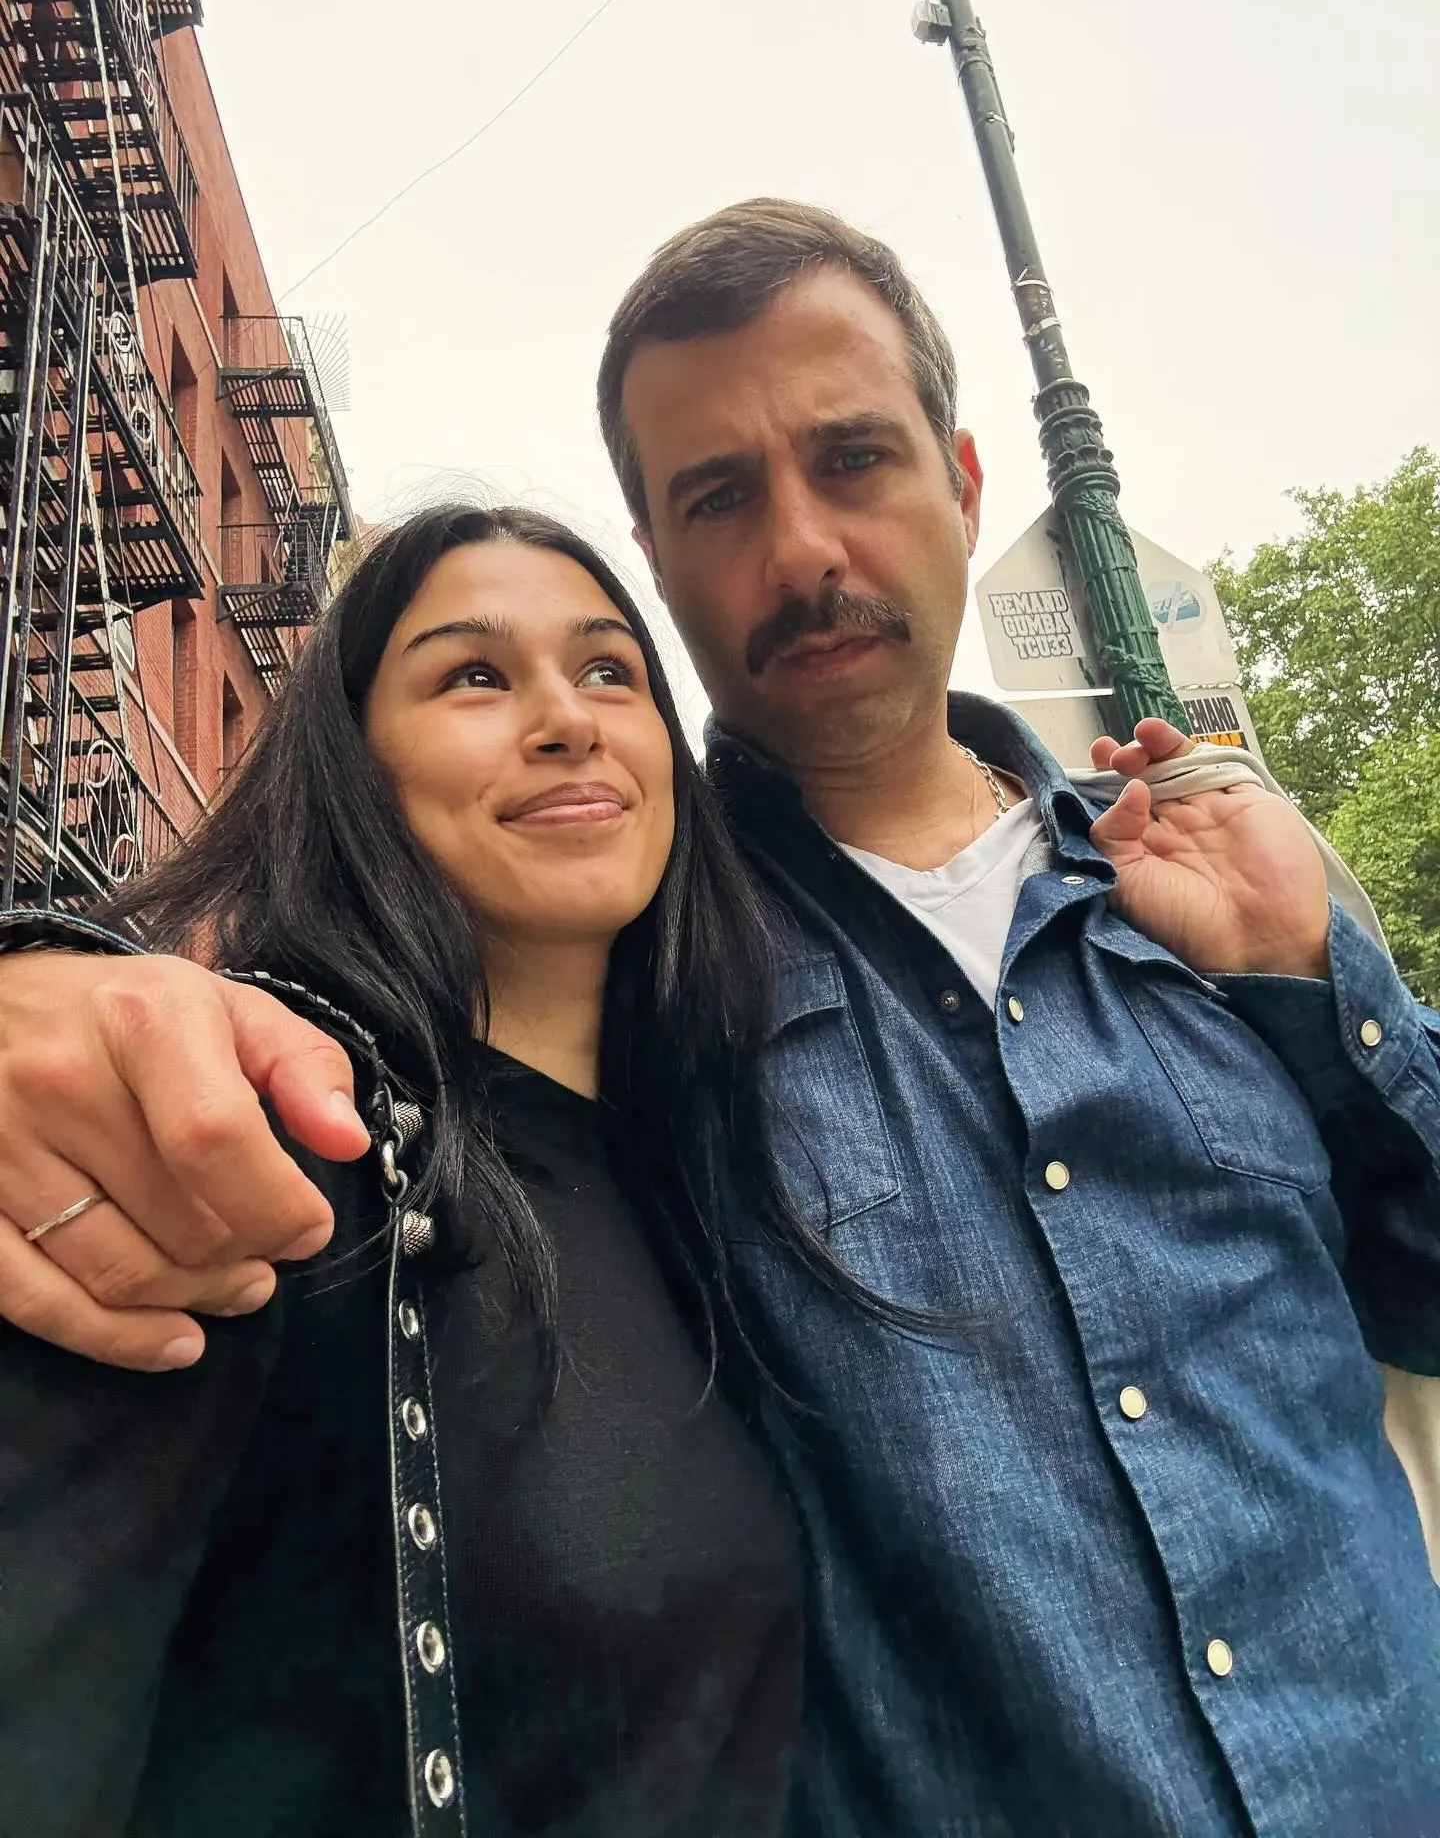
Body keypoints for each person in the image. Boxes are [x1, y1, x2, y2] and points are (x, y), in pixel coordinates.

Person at [1, 201, 1438, 1837]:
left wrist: (1324, 986)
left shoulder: (1223, 911)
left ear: (964, 484)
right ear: (663, 559)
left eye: (854, 459)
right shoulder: (645, 985)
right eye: (720, 498)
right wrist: (43, 977)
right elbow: (321, 1011)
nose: (805, 549)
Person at [0, 500, 836, 1838]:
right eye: (474, 677)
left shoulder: (711, 1173)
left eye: (608, 669)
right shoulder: (267, 1145)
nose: (566, 720)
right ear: (357, 765)